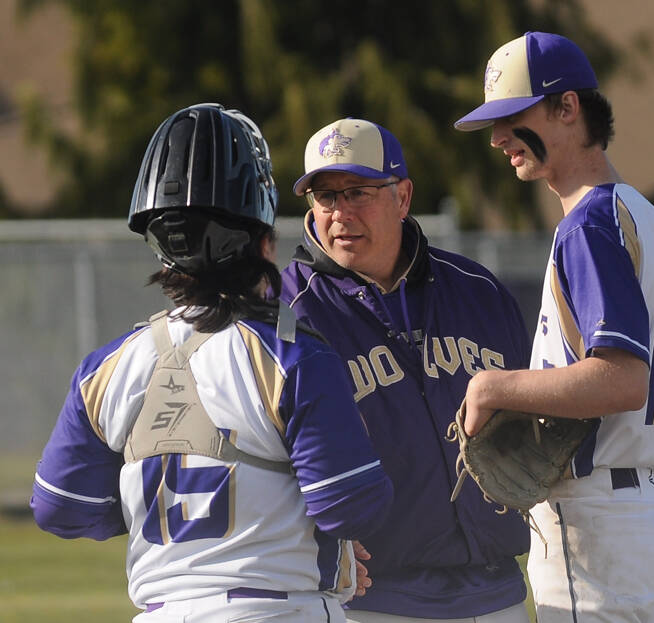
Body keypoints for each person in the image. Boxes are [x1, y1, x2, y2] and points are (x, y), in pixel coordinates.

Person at [30, 103, 394, 623]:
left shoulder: (106, 367)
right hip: (279, 611)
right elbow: (352, 505)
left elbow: (60, 508)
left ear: (159, 246)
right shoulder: (292, 356)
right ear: (261, 237)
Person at [454, 32, 654, 623]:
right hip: (637, 521)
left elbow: (621, 378)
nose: (498, 137)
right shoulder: (653, 223)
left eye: (513, 115)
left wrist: (492, 387)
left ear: (568, 107)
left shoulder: (588, 226)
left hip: (592, 526)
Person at [280, 117, 533, 623]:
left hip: (497, 588)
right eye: (324, 197)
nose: (339, 213)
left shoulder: (477, 291)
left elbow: (538, 418)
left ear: (402, 196)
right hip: (370, 600)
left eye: (357, 192)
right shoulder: (287, 310)